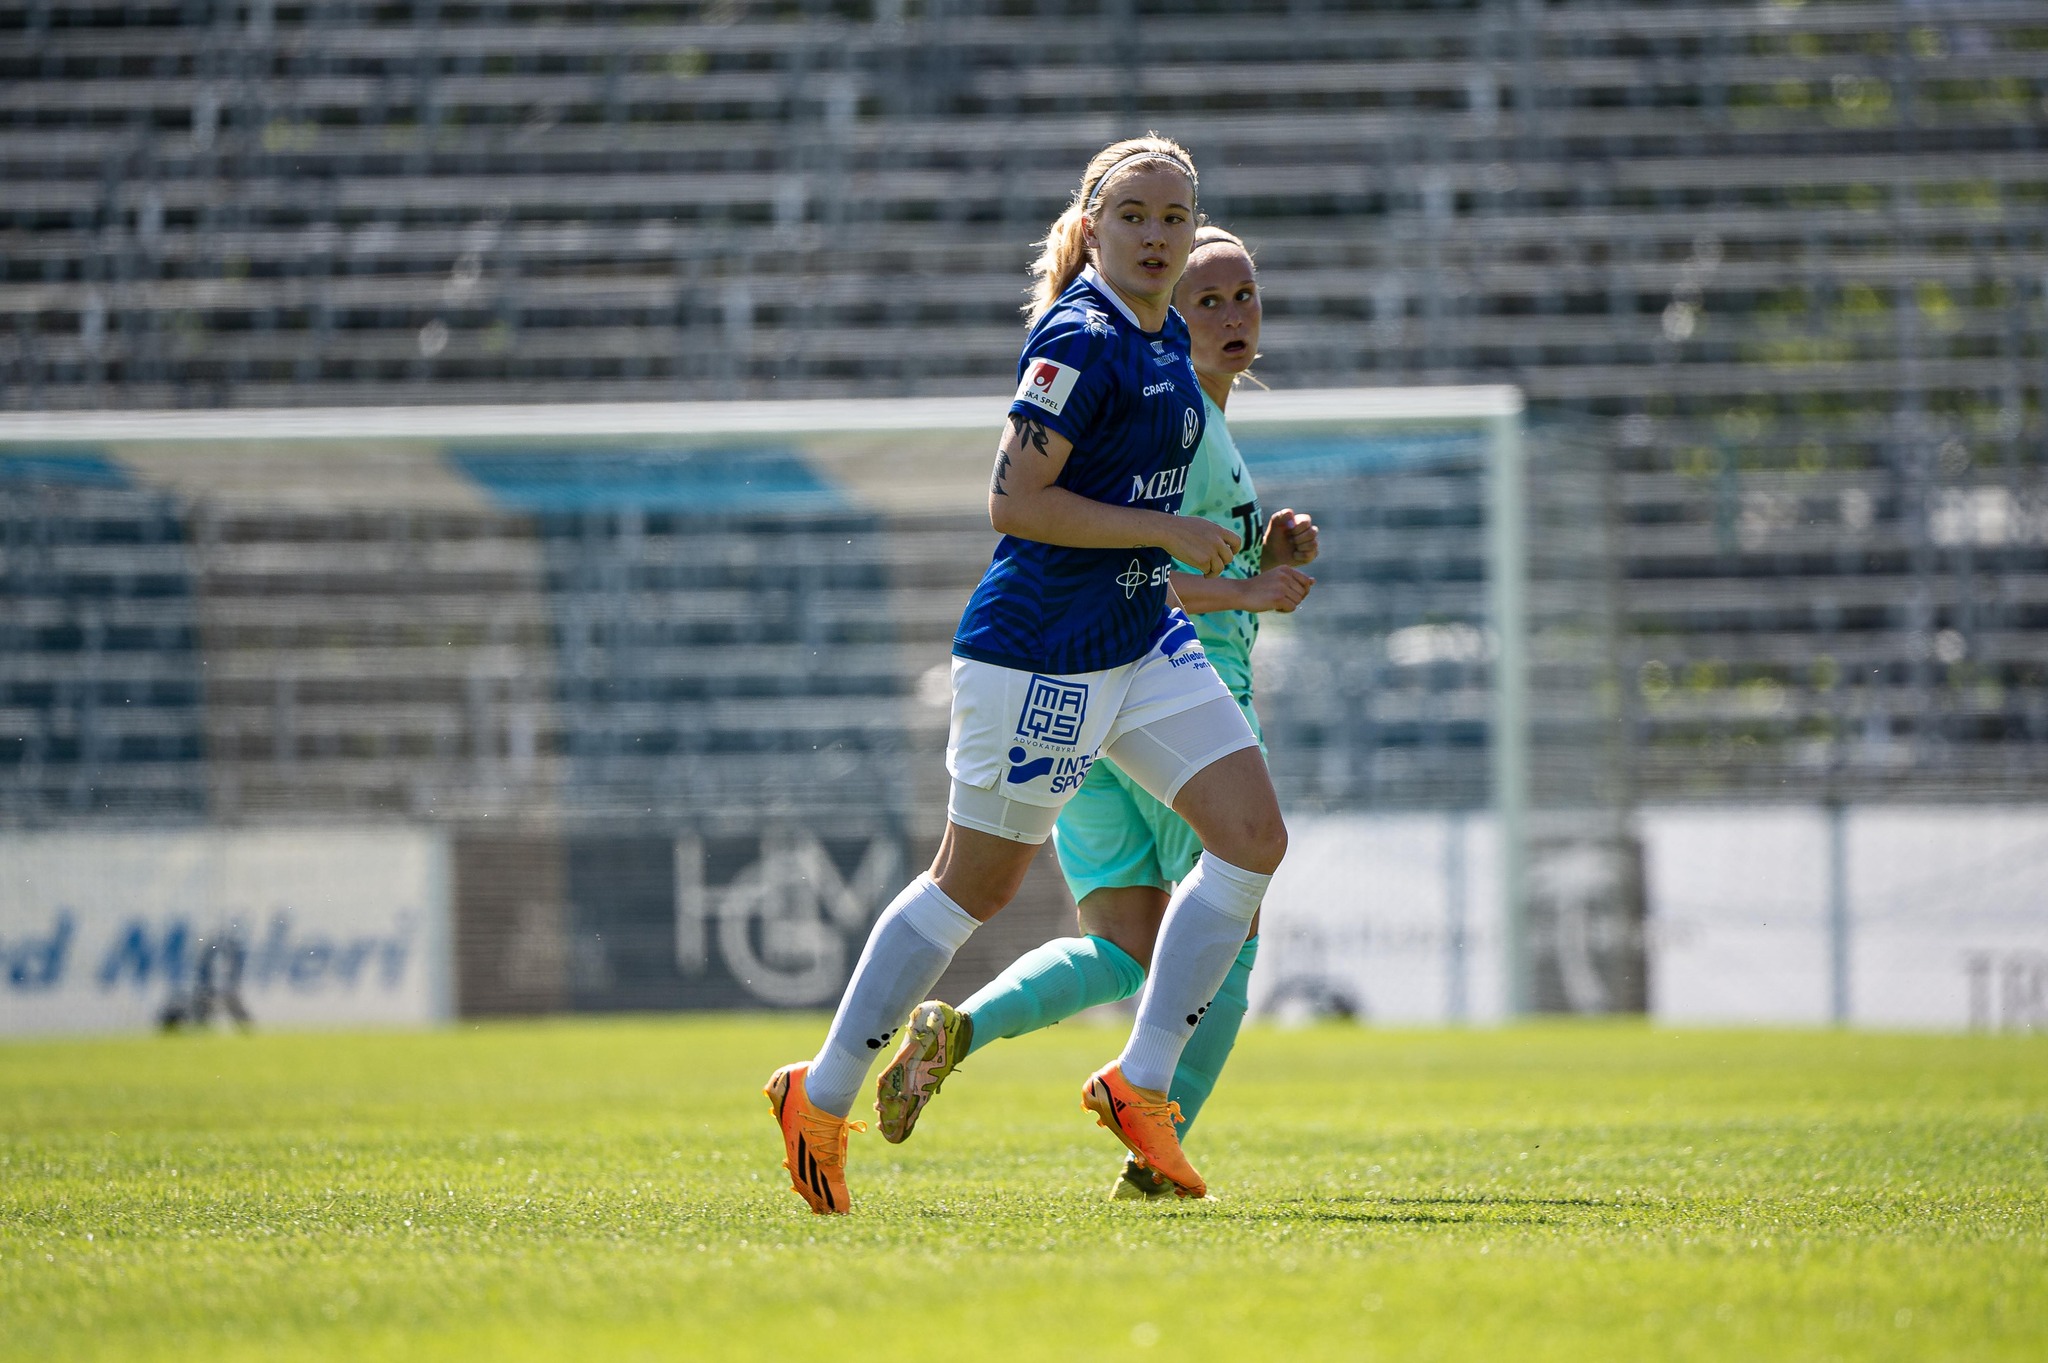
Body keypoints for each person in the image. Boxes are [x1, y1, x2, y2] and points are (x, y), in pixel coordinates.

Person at [764, 135, 1288, 1214]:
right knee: (976, 882)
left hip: (1142, 637)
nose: (1155, 236)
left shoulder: (1163, 338)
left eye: (1174, 217)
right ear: (1093, 226)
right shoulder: (1078, 335)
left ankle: (1141, 1083)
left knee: (1252, 837)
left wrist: (1200, 552)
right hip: (1043, 649)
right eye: (1133, 216)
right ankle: (819, 1093)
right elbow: (1012, 503)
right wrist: (1166, 531)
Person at [872, 226, 1317, 1199]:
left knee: (1120, 946)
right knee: (1232, 928)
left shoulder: (1176, 414)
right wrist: (1246, 593)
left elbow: (1145, 549)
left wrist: (1264, 554)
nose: (1232, 315)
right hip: (1177, 696)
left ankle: (959, 1028)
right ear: (1165, 313)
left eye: (1244, 294)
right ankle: (1152, 1154)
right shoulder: (1173, 417)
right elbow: (1134, 568)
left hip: (1086, 696)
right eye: (1207, 300)